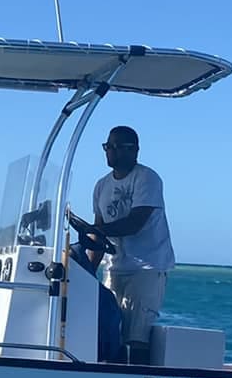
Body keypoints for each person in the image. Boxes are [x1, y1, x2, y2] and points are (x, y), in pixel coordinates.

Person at [67, 125, 173, 364]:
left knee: (136, 334)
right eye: (108, 146)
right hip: (115, 267)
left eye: (118, 147)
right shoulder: (101, 186)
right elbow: (98, 235)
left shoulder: (147, 178)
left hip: (146, 267)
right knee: (110, 328)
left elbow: (135, 223)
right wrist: (86, 270)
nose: (111, 152)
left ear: (134, 150)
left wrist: (97, 231)